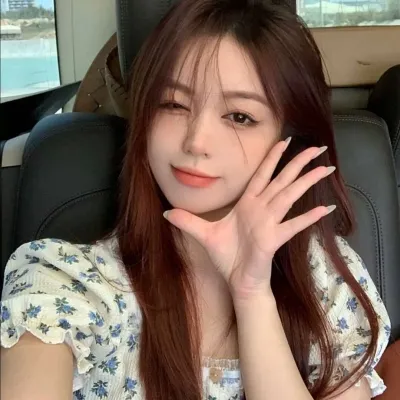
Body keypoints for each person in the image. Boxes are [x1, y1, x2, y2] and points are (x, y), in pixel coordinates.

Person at [0, 1, 392, 399]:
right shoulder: (66, 284)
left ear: (288, 141)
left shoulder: (326, 283)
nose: (196, 141)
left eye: (239, 116)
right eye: (173, 104)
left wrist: (252, 295)